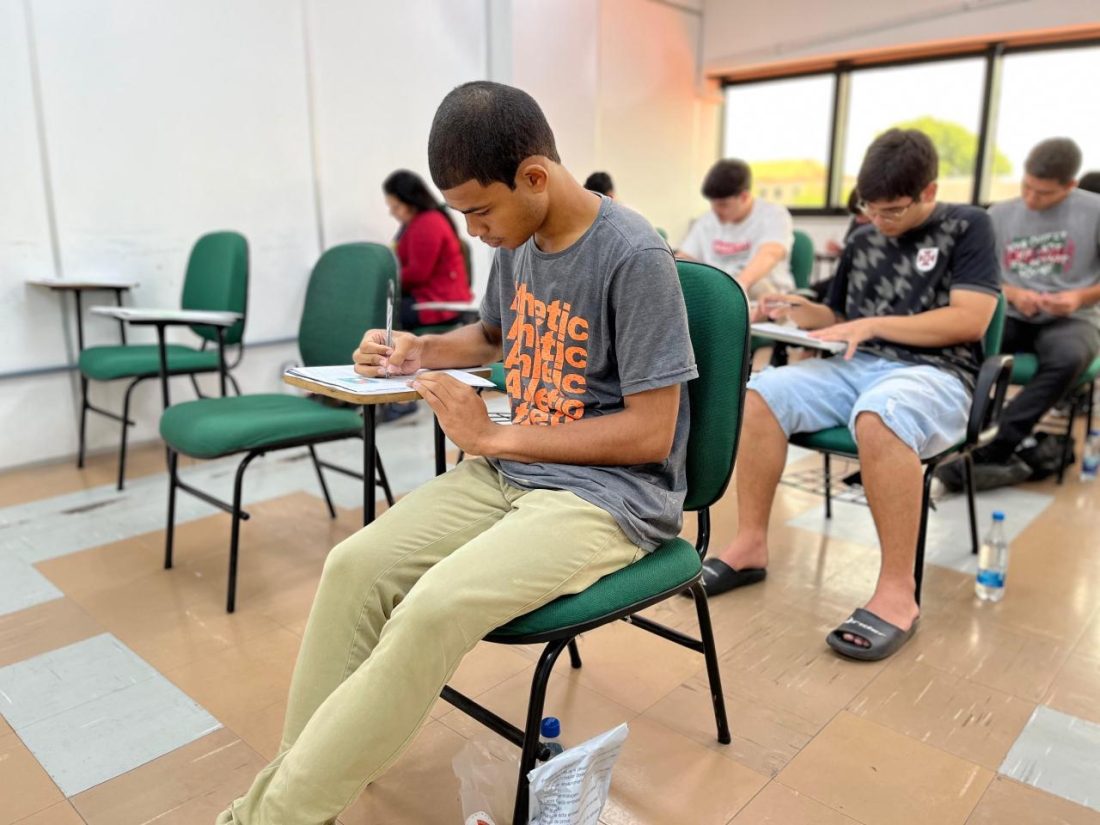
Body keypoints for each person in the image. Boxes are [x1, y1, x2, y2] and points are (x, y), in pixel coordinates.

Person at [215, 81, 696, 824]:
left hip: (609, 496)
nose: (473, 232)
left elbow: (651, 433)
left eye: (479, 211)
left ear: (534, 177)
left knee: (431, 610)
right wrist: (420, 350)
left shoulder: (633, 255)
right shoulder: (521, 239)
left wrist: (493, 434)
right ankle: (305, 794)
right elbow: (495, 335)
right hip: (511, 471)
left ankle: (269, 816)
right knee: (352, 568)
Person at [700, 129, 999, 662]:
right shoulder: (863, 236)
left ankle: (897, 591)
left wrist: (873, 324)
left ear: (929, 192)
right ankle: (750, 544)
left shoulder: (969, 226)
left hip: (937, 371)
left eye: (892, 211)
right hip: (856, 364)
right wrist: (795, 308)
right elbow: (837, 315)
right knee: (761, 393)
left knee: (879, 415)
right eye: (869, 209)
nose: (878, 221)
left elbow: (972, 320)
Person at [938, 138, 1100, 491]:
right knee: (961, 339)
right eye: (1027, 186)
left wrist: (1079, 297)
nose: (1031, 198)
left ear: (1070, 186)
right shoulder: (998, 214)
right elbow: (975, 275)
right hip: (1011, 313)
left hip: (1073, 319)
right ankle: (952, 430)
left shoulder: (1095, 211)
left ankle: (996, 446)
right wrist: (1012, 293)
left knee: (1068, 357)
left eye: (1043, 193)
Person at [676, 158, 794, 297]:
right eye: (713, 203)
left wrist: (737, 288)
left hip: (762, 294)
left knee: (759, 287)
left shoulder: (773, 215)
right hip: (719, 292)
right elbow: (685, 258)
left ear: (744, 197)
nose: (716, 210)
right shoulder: (706, 221)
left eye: (723, 205)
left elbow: (771, 253)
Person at [382, 169, 473, 329]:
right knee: (378, 307)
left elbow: (417, 274)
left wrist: (383, 280)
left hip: (439, 301)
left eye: (396, 207)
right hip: (429, 297)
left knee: (378, 312)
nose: (392, 213)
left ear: (410, 201)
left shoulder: (427, 223)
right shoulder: (414, 224)